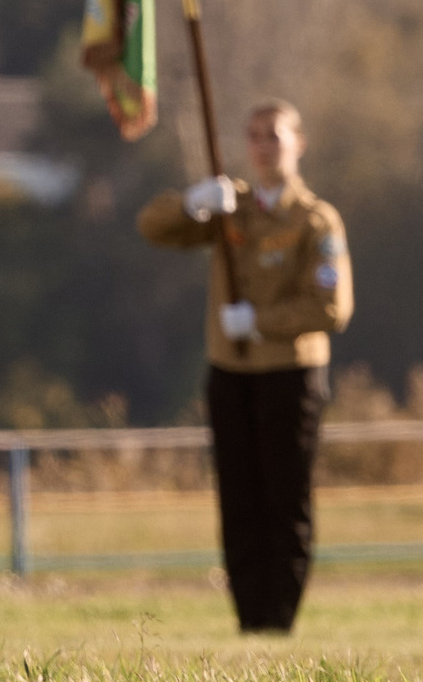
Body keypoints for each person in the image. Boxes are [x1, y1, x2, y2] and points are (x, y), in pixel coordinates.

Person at [136, 98, 351, 635]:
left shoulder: (314, 220)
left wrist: (261, 321)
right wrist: (193, 203)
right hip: (231, 374)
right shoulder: (233, 210)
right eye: (254, 136)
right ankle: (248, 619)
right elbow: (152, 227)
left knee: (284, 500)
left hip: (289, 373)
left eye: (273, 136)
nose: (262, 147)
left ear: (297, 144)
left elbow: (331, 307)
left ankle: (278, 618)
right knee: (238, 501)